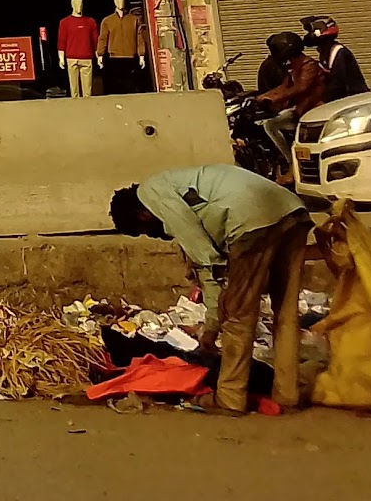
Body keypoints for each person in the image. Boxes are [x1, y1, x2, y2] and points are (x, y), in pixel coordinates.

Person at [111, 164, 309, 413]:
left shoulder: (152, 192)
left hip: (251, 221)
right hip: (292, 211)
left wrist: (220, 310)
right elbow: (208, 264)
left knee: (238, 314)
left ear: (142, 215)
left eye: (143, 232)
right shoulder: (174, 182)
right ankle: (287, 394)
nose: (155, 236)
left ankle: (230, 398)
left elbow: (205, 257)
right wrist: (210, 330)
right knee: (286, 311)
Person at [256, 31, 328, 169]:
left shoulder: (308, 65)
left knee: (273, 125)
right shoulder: (293, 66)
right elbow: (285, 86)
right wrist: (263, 96)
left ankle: (292, 163)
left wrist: (273, 98)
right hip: (300, 109)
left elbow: (300, 88)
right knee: (269, 124)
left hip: (311, 109)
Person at [303, 15, 368, 104]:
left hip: (354, 100)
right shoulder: (326, 52)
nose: (308, 35)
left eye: (311, 32)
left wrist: (323, 101)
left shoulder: (337, 52)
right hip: (345, 100)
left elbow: (338, 82)